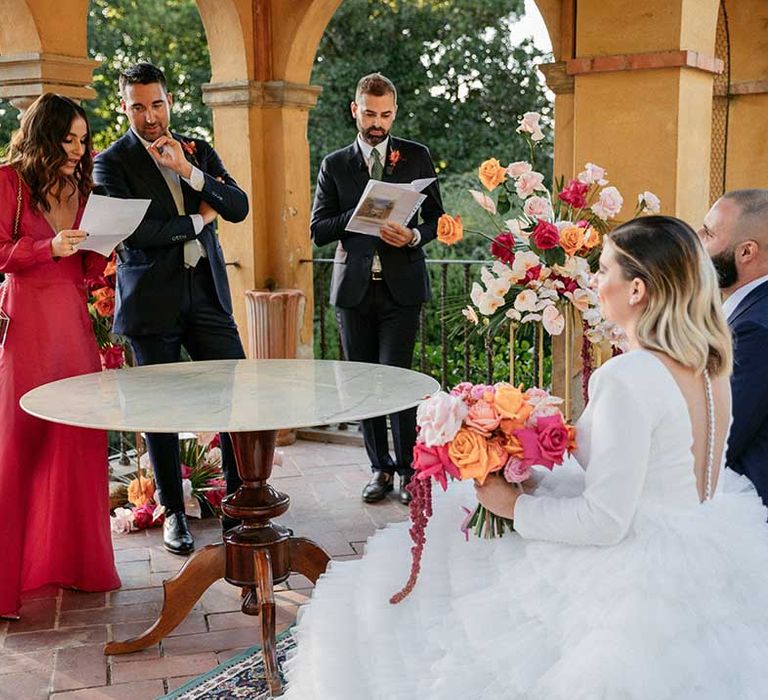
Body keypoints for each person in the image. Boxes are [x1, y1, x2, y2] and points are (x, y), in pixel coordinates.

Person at [282, 216, 768, 699]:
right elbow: (665, 475)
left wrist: (511, 505)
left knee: (428, 600)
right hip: (697, 551)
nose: (596, 282)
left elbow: (607, 521)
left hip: (629, 573)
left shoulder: (631, 376)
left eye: (604, 269)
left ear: (637, 289)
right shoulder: (708, 367)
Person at [94, 62, 249, 555]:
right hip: (151, 303)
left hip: (207, 295)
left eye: (156, 103)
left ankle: (240, 506)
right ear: (125, 107)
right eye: (138, 106)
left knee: (235, 403)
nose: (149, 115)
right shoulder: (110, 163)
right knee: (158, 411)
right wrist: (200, 222)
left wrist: (190, 172)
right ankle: (173, 515)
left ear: (169, 101)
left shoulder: (197, 148)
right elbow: (136, 234)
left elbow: (238, 204)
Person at [0, 94, 121, 618]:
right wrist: (46, 249)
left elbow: (85, 271)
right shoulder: (7, 181)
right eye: (68, 138)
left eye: (82, 139)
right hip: (26, 323)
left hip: (72, 326)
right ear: (44, 137)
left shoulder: (84, 187)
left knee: (77, 441)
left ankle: (79, 567)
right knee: (18, 444)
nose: (78, 148)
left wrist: (102, 249)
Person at [311, 72, 444, 506]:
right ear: (355, 109)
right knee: (365, 386)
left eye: (385, 115)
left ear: (394, 112)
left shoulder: (417, 157)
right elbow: (318, 229)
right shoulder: (334, 164)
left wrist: (414, 237)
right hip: (354, 292)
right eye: (370, 114)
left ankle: (408, 470)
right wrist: (363, 211)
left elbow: (436, 220)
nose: (377, 123)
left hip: (401, 290)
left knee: (400, 383)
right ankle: (379, 468)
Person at [699, 190, 768, 506]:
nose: (697, 239)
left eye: (709, 232)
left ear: (746, 252)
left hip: (745, 510)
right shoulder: (750, 311)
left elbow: (720, 440)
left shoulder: (755, 329)